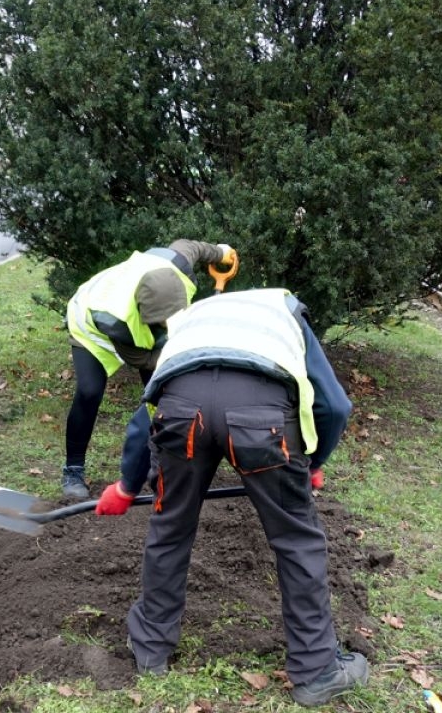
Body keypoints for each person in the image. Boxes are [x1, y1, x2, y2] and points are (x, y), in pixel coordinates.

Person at [94, 288, 368, 708]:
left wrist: (127, 485)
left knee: (170, 528)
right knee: (296, 540)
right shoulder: (285, 311)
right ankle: (316, 672)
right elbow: (334, 405)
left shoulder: (190, 322)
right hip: (262, 421)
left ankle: (149, 648)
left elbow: (145, 415)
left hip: (181, 414)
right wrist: (312, 463)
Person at [61, 240, 236, 500]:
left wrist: (221, 251)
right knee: (89, 391)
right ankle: (73, 470)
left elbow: (195, 247)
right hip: (90, 321)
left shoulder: (178, 260)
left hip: (138, 322)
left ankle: (162, 459)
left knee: (161, 392)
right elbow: (143, 359)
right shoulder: (116, 322)